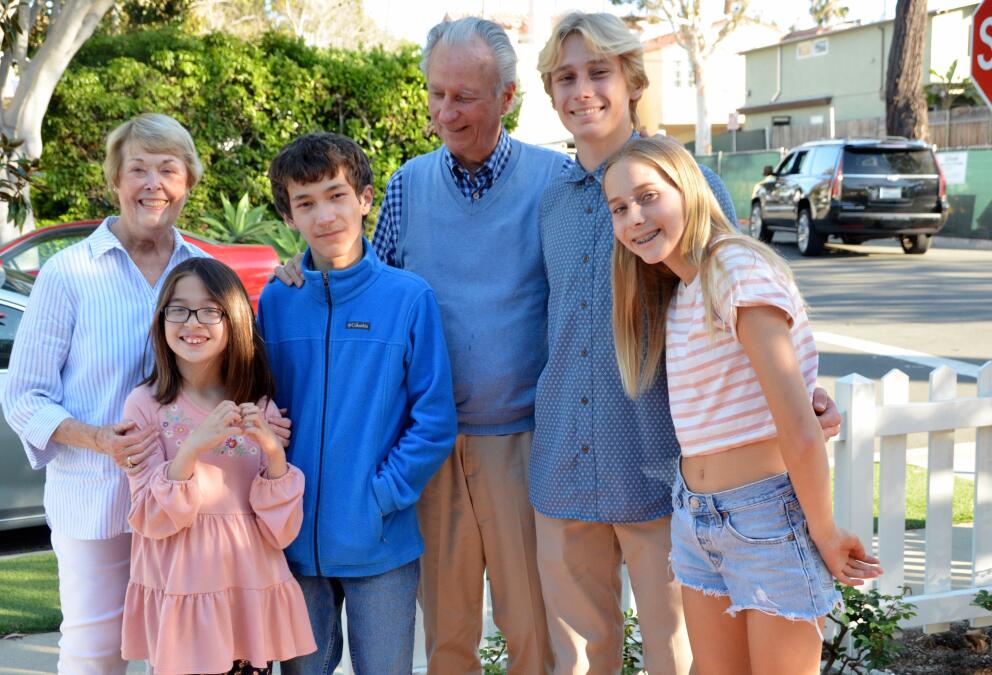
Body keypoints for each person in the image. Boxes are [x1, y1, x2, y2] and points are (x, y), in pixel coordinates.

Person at [530, 13, 842, 675]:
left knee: (679, 661)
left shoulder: (689, 187)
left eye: (598, 72)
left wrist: (801, 394)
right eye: (565, 77)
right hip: (561, 469)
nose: (582, 90)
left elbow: (743, 318)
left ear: (633, 80)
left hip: (660, 477)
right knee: (577, 662)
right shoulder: (548, 202)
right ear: (550, 93)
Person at [273, 18, 565, 674]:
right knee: (447, 636)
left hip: (520, 444)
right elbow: (366, 284)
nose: (445, 112)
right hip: (427, 453)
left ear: (508, 96)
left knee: (532, 631)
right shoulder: (408, 183)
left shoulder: (557, 182)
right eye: (436, 94)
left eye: (463, 96)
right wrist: (302, 266)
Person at [3, 113, 287, 674]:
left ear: (188, 184)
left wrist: (261, 422)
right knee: (94, 649)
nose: (152, 183)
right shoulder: (69, 274)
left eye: (168, 169)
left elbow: (241, 368)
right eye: (138, 169)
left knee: (190, 648)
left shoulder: (206, 272)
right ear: (116, 181)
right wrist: (97, 438)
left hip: (193, 501)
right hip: (99, 497)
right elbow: (24, 399)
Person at [604, 134, 882, 674]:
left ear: (687, 189)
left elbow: (799, 429)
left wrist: (824, 532)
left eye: (647, 196)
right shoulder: (683, 291)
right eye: (619, 208)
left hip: (767, 520)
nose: (634, 217)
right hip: (696, 519)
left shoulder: (733, 267)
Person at [259, 132, 457, 674]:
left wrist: (382, 496)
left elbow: (434, 419)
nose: (325, 215)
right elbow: (260, 407)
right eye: (306, 202)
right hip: (295, 549)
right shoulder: (278, 300)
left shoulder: (408, 298)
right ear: (290, 216)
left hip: (381, 545)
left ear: (364, 199)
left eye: (336, 194)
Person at [118, 257, 315, 675]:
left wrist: (274, 453)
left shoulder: (258, 408)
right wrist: (191, 448)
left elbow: (280, 529)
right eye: (179, 308)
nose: (193, 322)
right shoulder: (145, 406)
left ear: (235, 320)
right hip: (183, 600)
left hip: (243, 603)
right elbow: (150, 517)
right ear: (162, 319)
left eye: (210, 310)